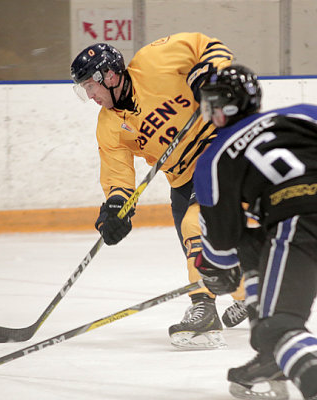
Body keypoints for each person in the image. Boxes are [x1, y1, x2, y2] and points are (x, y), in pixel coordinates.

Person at [70, 32, 248, 350]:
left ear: (108, 76)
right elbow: (118, 175)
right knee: (201, 253)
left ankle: (203, 310)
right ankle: (252, 296)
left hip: (218, 153)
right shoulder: (109, 124)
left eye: (90, 86)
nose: (91, 95)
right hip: (180, 180)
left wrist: (207, 72)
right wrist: (115, 207)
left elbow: (210, 47)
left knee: (197, 226)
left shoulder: (155, 60)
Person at [193, 64, 317, 399]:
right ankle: (273, 360)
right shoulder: (303, 113)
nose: (211, 111)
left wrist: (219, 273)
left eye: (214, 103)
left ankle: (281, 348)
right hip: (300, 218)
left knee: (277, 328)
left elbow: (221, 245)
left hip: (301, 220)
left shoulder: (214, 157)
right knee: (254, 242)